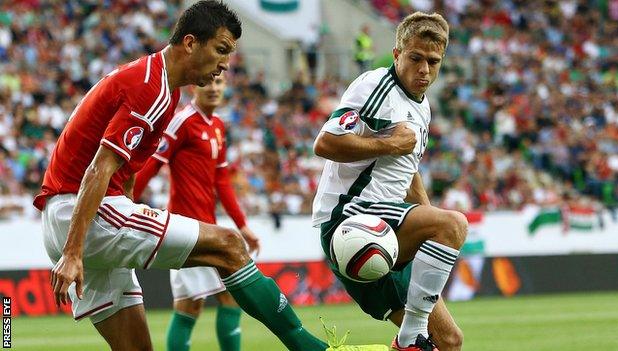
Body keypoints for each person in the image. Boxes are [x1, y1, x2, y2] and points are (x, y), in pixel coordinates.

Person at [35, 1, 380, 350]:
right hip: (85, 216)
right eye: (221, 50)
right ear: (189, 43)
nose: (225, 65)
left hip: (71, 216)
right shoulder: (151, 87)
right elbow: (100, 166)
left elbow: (125, 171)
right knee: (229, 246)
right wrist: (74, 251)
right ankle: (315, 348)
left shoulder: (160, 88)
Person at [313, 12, 465, 351]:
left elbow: (407, 171)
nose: (424, 70)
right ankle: (409, 338)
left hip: (388, 222)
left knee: (450, 341)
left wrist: (428, 218)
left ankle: (408, 340)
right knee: (453, 223)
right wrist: (389, 143)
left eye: (433, 61)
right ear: (397, 54)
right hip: (351, 218)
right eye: (415, 58)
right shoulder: (374, 87)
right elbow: (325, 143)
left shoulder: (422, 107)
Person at [133, 73, 260, 351]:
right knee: (227, 295)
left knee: (192, 306)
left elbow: (222, 181)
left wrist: (242, 224)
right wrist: (125, 202)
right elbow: (153, 164)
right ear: (195, 86)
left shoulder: (217, 126)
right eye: (208, 83)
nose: (214, 88)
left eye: (219, 83)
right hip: (186, 228)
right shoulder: (183, 121)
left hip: (207, 227)